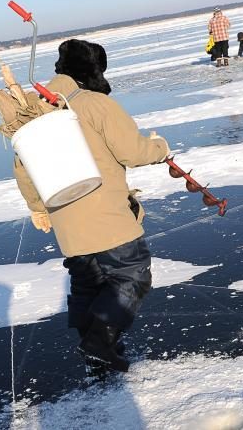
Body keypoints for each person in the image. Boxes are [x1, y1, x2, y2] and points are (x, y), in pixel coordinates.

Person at [9, 39, 171, 376]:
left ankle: (97, 363)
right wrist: (160, 147)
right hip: (107, 218)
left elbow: (23, 167)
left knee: (88, 286)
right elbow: (133, 152)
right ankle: (99, 343)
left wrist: (38, 207)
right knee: (132, 275)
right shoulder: (96, 104)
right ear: (95, 70)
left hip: (67, 224)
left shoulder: (35, 109)